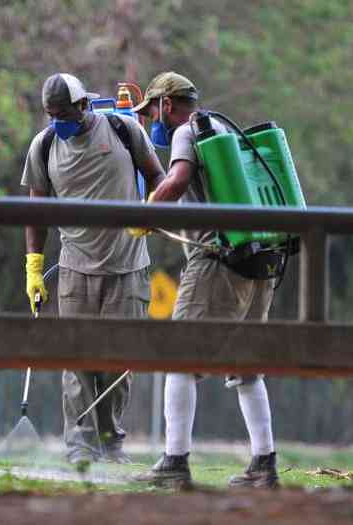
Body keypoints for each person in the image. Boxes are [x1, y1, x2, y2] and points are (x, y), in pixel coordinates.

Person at [129, 72, 280, 488]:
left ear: (167, 104)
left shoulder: (186, 131)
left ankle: (175, 460)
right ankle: (264, 466)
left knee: (179, 356)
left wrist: (145, 213)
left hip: (217, 260)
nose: (152, 120)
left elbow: (176, 181)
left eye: (153, 111)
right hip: (260, 261)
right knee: (245, 366)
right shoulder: (224, 129)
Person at [21, 73, 166, 464]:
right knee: (78, 361)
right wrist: (34, 265)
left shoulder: (123, 128)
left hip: (128, 265)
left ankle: (110, 442)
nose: (58, 122)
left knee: (120, 361)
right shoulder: (45, 145)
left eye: (64, 114)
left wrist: (151, 211)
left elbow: (157, 177)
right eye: (51, 115)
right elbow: (36, 211)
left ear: (84, 105)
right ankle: (80, 447)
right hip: (75, 270)